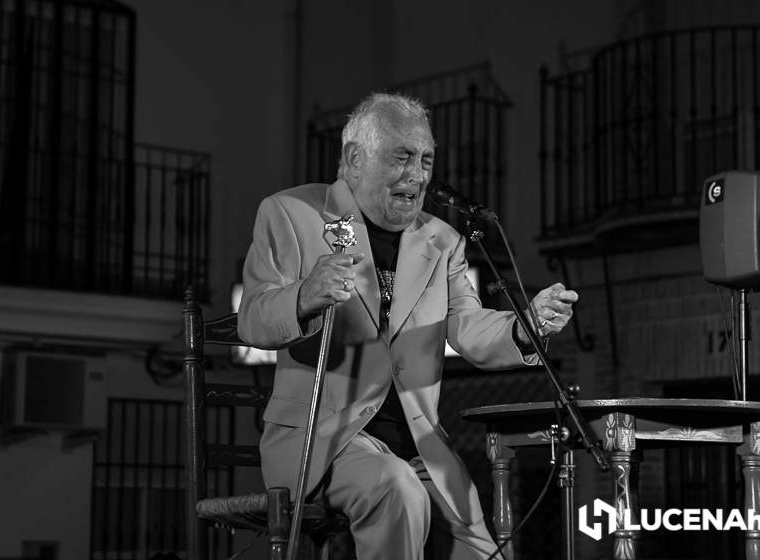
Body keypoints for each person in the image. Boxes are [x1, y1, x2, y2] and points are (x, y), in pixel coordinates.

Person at [238, 92, 578, 559]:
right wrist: (302, 296)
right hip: (322, 439)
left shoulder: (442, 241)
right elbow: (253, 318)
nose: (416, 176)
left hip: (417, 443)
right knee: (398, 490)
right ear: (355, 158)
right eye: (402, 158)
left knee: (480, 544)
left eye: (426, 160)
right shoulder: (292, 214)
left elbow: (468, 326)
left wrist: (525, 326)